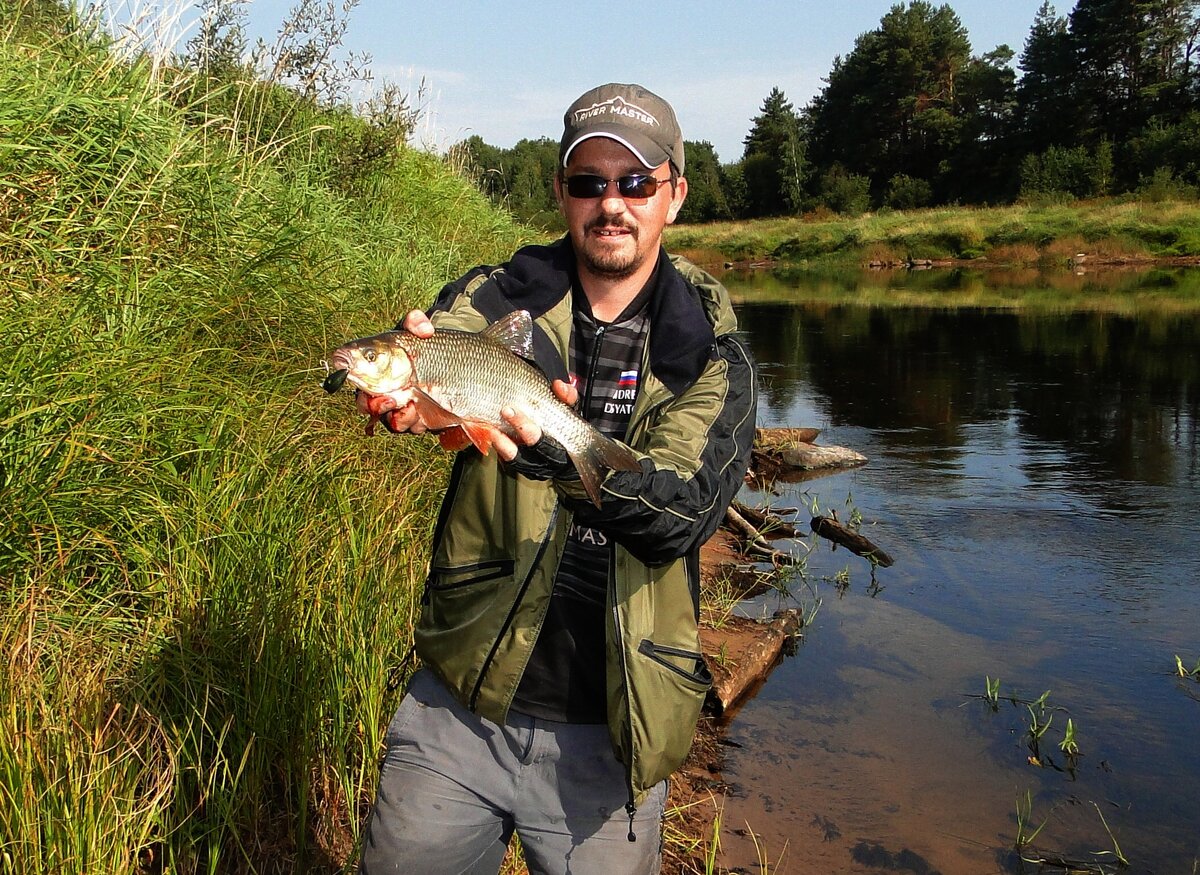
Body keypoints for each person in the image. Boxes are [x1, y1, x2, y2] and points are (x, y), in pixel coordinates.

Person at [356, 83, 757, 875]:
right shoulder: (498, 296)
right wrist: (414, 396)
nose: (612, 203)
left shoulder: (707, 351)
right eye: (588, 182)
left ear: (674, 194)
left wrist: (552, 451)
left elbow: (681, 513)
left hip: (613, 729)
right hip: (458, 701)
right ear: (561, 195)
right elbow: (449, 349)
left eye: (636, 182)